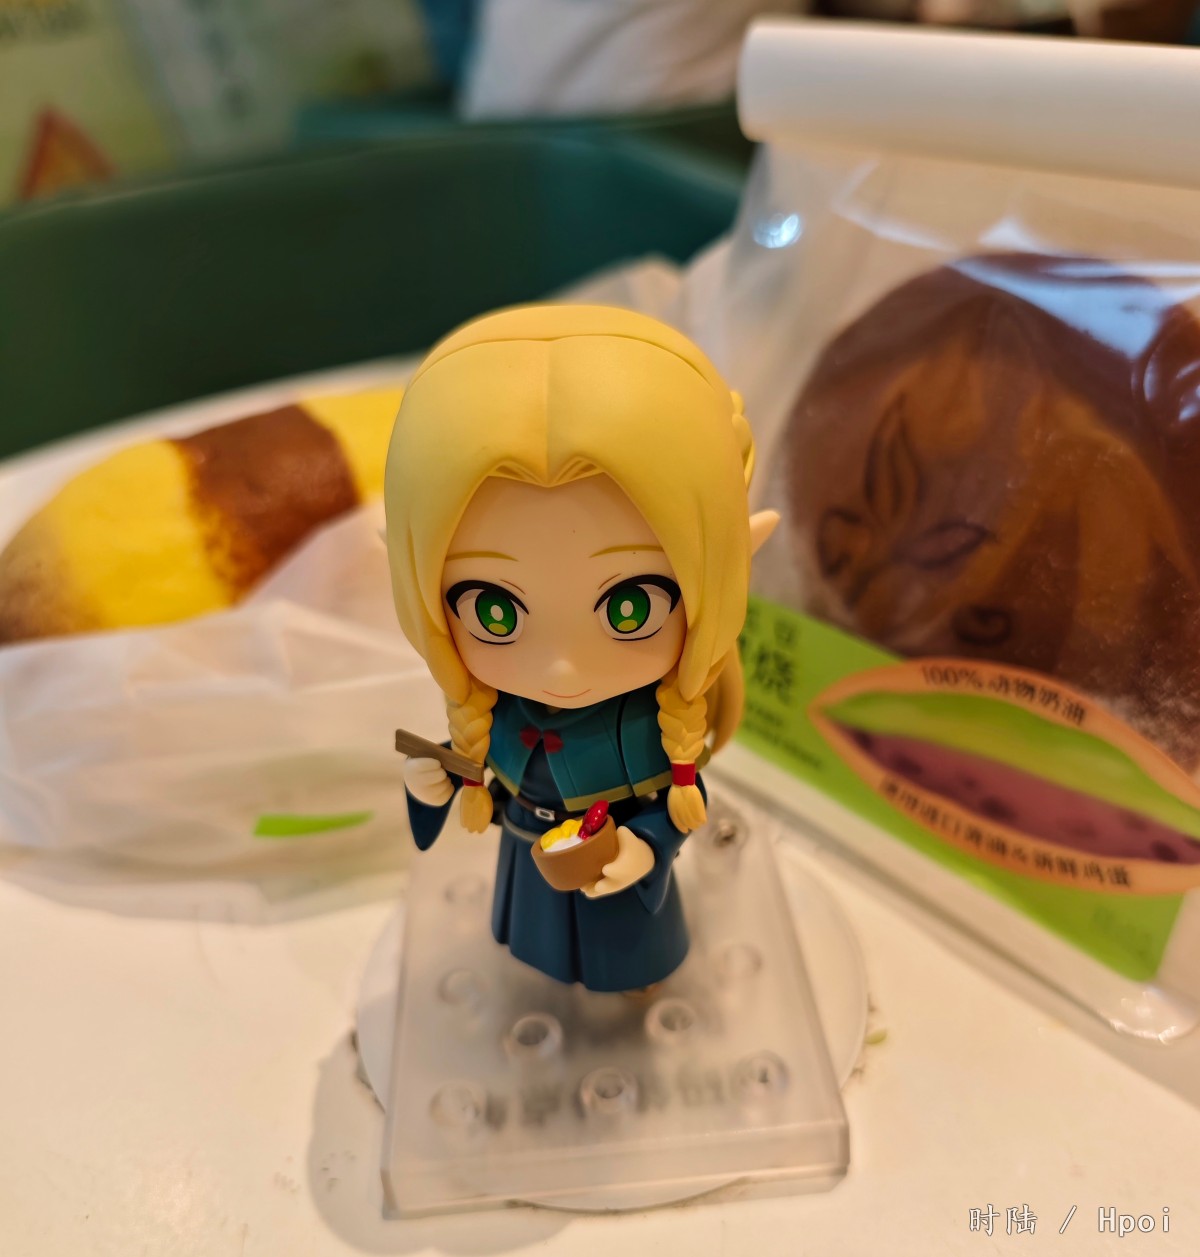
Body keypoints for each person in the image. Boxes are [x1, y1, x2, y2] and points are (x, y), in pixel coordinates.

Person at [385, 304, 775, 991]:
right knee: (532, 953)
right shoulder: (494, 708)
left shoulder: (651, 721)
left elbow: (676, 801)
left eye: (632, 607)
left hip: (611, 868)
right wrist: (435, 782)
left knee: (628, 958)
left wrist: (645, 849)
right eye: (494, 611)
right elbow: (479, 773)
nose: (562, 669)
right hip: (527, 858)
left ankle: (636, 991)